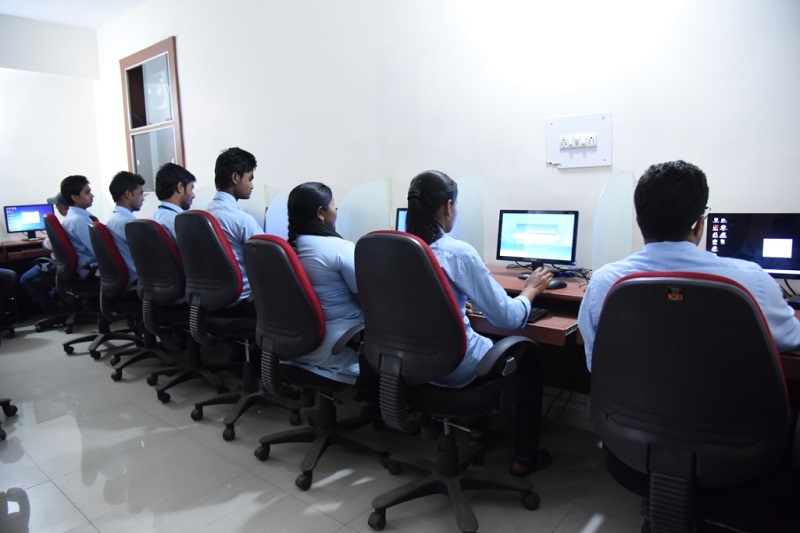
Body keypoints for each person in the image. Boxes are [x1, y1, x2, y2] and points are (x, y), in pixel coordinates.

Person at [578, 160, 800, 372]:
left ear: (639, 222)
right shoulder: (754, 281)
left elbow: (595, 362)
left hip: (627, 399)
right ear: (699, 224)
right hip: (724, 400)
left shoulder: (604, 281)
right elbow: (790, 339)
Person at [405, 170, 553, 477]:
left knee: (482, 340)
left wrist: (456, 302)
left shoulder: (399, 249)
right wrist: (530, 291)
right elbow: (508, 318)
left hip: (411, 365)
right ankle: (524, 458)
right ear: (448, 207)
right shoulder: (457, 253)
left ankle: (478, 435)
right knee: (527, 359)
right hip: (455, 366)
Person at [285, 182, 363, 385]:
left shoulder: (286, 249)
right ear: (321, 213)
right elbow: (365, 297)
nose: (336, 210)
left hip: (296, 342)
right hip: (337, 343)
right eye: (333, 205)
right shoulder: (339, 248)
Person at [205, 147, 261, 315]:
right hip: (241, 302)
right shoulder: (241, 220)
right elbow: (270, 260)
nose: (252, 185)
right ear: (235, 177)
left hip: (210, 301)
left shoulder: (204, 215)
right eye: (250, 179)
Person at [18, 193, 68, 314]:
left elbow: (49, 245)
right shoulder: (81, 219)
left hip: (59, 265)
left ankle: (52, 308)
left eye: (57, 205)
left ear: (65, 206)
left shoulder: (64, 223)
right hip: (70, 264)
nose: (56, 208)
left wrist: (45, 242)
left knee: (24, 279)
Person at [106, 171, 146, 288]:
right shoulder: (129, 223)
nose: (143, 199)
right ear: (128, 194)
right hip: (140, 283)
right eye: (140, 194)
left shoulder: (112, 219)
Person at [60, 175, 97, 278]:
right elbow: (99, 250)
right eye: (87, 192)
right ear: (75, 197)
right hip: (92, 269)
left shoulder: (73, 217)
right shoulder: (78, 221)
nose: (92, 195)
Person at [152, 162, 196, 241]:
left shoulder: (152, 218)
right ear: (180, 187)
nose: (193, 195)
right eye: (191, 189)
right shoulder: (179, 223)